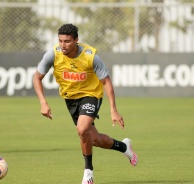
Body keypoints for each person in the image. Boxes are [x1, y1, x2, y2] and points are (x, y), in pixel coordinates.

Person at [33, 23, 138, 184]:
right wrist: (43, 102)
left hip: (91, 95)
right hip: (70, 99)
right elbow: (37, 77)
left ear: (76, 40)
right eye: (60, 41)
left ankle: (88, 172)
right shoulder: (53, 54)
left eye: (67, 41)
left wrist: (113, 110)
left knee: (82, 130)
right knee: (94, 139)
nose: (63, 45)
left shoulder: (91, 56)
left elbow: (107, 82)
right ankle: (124, 147)